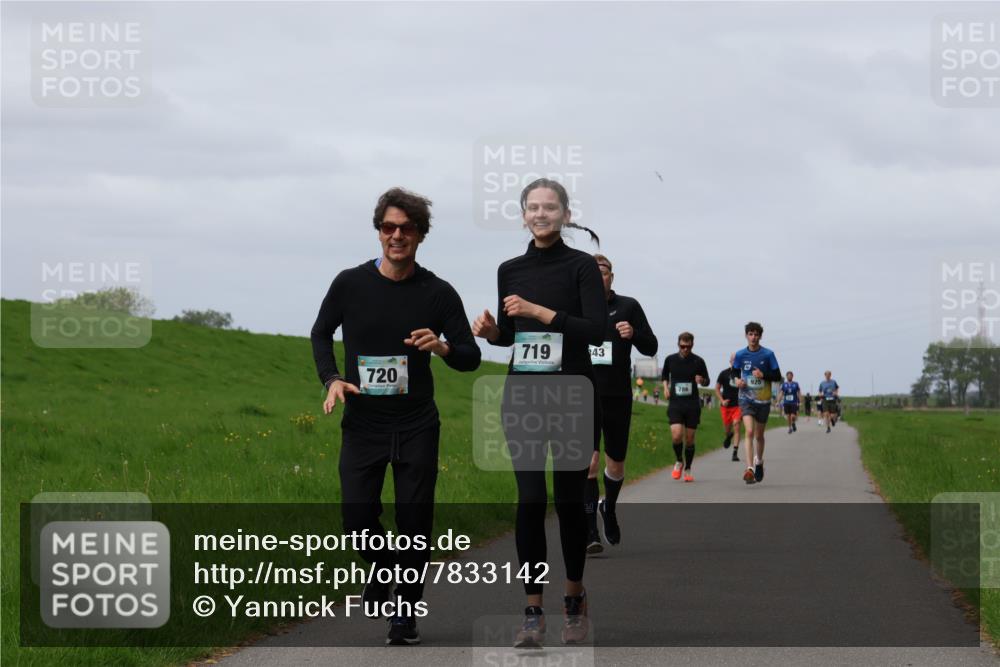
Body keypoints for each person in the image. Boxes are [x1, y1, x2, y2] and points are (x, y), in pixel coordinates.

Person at [311, 187, 481, 646]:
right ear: (379, 232)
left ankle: (404, 613)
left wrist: (442, 346)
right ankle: (384, 569)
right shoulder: (350, 283)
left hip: (416, 425)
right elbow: (321, 333)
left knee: (415, 520)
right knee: (355, 518)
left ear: (421, 235)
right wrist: (331, 379)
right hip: (363, 424)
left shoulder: (438, 293)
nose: (397, 235)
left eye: (407, 228)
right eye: (389, 227)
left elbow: (470, 355)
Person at [472, 178, 605, 648]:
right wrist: (493, 334)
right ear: (523, 214)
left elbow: (597, 332)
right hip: (524, 396)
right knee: (530, 500)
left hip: (572, 396)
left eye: (551, 207)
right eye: (533, 207)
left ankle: (572, 599)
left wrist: (543, 312)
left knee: (568, 503)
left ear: (565, 215)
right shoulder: (509, 269)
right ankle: (532, 611)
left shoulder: (582, 267)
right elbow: (513, 333)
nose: (542, 214)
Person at [585, 253, 658, 553]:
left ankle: (609, 508)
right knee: (588, 463)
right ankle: (590, 532)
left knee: (615, 464)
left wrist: (634, 333)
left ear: (611, 277)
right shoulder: (575, 308)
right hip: (583, 393)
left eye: (603, 271)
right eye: (592, 271)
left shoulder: (628, 306)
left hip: (616, 395)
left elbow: (651, 346)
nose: (598, 275)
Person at [732, 322, 782, 484]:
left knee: (759, 435)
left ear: (760, 336)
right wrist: (737, 380)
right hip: (745, 398)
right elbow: (733, 372)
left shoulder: (768, 354)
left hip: (763, 399)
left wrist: (763, 375)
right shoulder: (740, 355)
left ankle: (759, 462)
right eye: (750, 334)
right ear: (746, 335)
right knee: (749, 431)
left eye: (756, 334)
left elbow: (777, 376)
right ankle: (749, 468)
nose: (753, 337)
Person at [661, 332, 710, 483]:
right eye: (682, 346)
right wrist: (665, 387)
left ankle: (688, 468)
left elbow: (707, 381)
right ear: (678, 345)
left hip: (692, 404)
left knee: (689, 439)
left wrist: (701, 380)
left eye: (688, 347)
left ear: (692, 345)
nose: (685, 349)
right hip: (675, 403)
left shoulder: (698, 361)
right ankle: (678, 461)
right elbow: (664, 376)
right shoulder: (670, 359)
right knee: (676, 435)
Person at [715, 353, 742, 462]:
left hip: (738, 405)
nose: (734, 362)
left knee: (736, 425)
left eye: (737, 360)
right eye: (733, 360)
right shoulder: (723, 373)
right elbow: (717, 388)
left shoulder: (742, 374)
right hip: (725, 406)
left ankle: (735, 453)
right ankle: (728, 435)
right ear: (730, 361)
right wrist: (722, 400)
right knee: (727, 429)